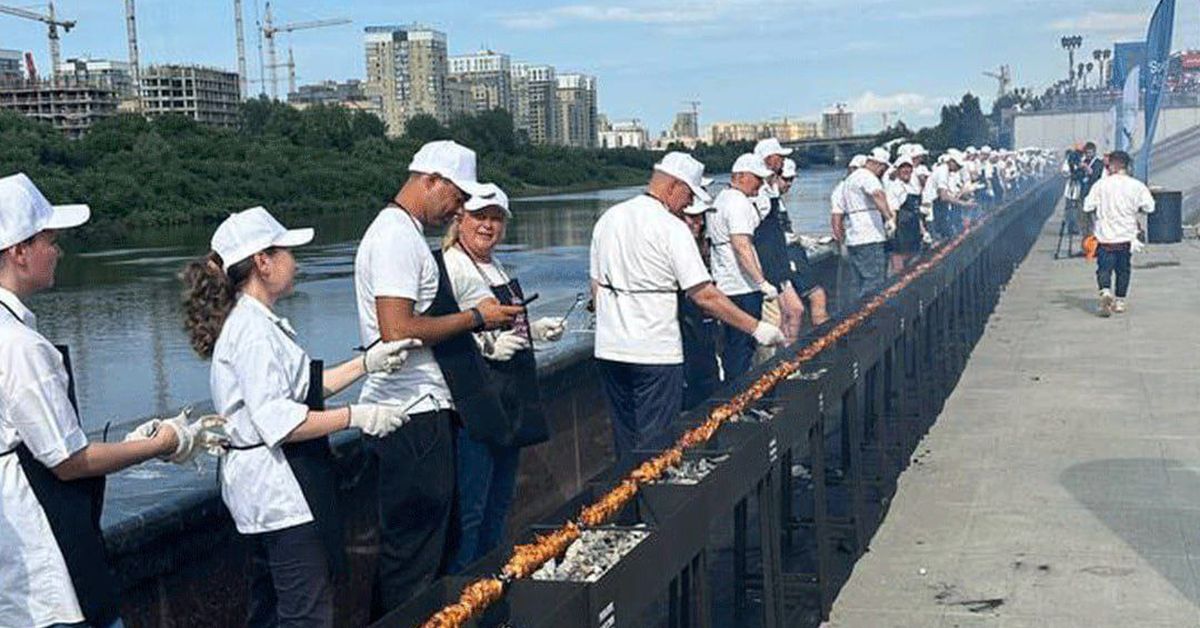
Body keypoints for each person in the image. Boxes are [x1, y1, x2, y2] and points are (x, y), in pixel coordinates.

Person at [181, 206, 416, 627]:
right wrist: (357, 415)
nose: (297, 261)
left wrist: (368, 364)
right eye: (288, 251)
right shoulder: (251, 331)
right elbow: (281, 422)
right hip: (281, 495)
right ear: (262, 262)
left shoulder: (255, 321)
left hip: (269, 493)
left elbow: (301, 389)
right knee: (305, 612)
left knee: (271, 609)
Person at [0, 173, 203, 628]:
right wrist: (163, 442)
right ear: (19, 251)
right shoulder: (18, 345)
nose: (58, 251)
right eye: (49, 240)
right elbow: (67, 460)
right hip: (43, 562)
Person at [354, 140, 525, 616]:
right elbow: (397, 329)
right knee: (413, 560)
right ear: (430, 180)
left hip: (422, 410)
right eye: (456, 195)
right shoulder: (396, 238)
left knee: (422, 552)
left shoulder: (402, 233)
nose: (460, 207)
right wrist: (477, 318)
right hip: (410, 416)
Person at [590, 152, 785, 461]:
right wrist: (757, 327)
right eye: (689, 195)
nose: (688, 206)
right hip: (654, 352)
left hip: (609, 350)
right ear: (674, 187)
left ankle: (627, 505)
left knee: (626, 442)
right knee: (657, 445)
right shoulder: (671, 227)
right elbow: (705, 295)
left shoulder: (609, 219)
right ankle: (656, 505)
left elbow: (596, 288)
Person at [439, 184, 565, 572]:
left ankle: (490, 589)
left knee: (498, 506)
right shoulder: (452, 266)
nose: (488, 226)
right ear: (461, 218)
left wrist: (533, 330)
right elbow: (442, 333)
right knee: (471, 513)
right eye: (480, 217)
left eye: (496, 218)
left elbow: (503, 319)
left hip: (509, 400)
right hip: (476, 406)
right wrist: (485, 349)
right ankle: (462, 599)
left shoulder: (495, 265)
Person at [709, 153, 782, 381]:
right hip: (742, 286)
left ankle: (736, 400)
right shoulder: (737, 203)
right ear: (740, 176)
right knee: (742, 349)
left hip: (727, 284)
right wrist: (762, 283)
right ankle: (739, 402)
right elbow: (741, 246)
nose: (760, 184)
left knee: (734, 348)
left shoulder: (721, 199)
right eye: (757, 178)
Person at [1081, 150, 1155, 317]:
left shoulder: (1101, 185)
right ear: (1126, 166)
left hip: (1105, 236)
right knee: (1123, 270)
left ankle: (1105, 291)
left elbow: (1087, 206)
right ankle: (1120, 301)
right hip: (1126, 237)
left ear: (1112, 166)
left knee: (1104, 269)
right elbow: (1150, 207)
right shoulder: (1136, 185)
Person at [751, 139, 804, 342]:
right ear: (768, 158)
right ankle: (779, 367)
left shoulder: (771, 188)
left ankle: (789, 361)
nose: (782, 160)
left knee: (796, 310)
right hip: (767, 262)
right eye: (779, 156)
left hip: (779, 260)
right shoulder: (759, 190)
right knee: (776, 320)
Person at [832, 148, 894, 298]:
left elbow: (837, 215)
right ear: (880, 165)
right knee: (875, 281)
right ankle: (869, 316)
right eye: (883, 169)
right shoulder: (867, 176)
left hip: (854, 238)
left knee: (859, 281)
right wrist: (889, 218)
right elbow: (877, 194)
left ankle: (856, 313)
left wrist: (841, 241)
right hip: (870, 236)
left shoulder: (848, 181)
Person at [678, 199, 720, 410]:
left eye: (701, 217)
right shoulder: (676, 247)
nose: (699, 223)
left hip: (701, 326)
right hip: (684, 329)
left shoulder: (702, 246)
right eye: (692, 217)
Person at [778, 159, 830, 328]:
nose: (790, 184)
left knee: (796, 310)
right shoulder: (767, 200)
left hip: (793, 252)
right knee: (816, 296)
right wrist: (796, 239)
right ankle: (823, 342)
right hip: (786, 256)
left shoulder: (777, 200)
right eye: (786, 179)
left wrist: (805, 239)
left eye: (792, 179)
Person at [885, 156, 924, 272]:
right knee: (899, 265)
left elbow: (916, 211)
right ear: (897, 170)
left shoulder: (912, 186)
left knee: (915, 263)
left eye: (909, 168)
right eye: (903, 168)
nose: (906, 170)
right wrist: (892, 229)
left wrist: (923, 230)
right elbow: (893, 210)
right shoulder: (894, 187)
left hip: (914, 228)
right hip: (901, 231)